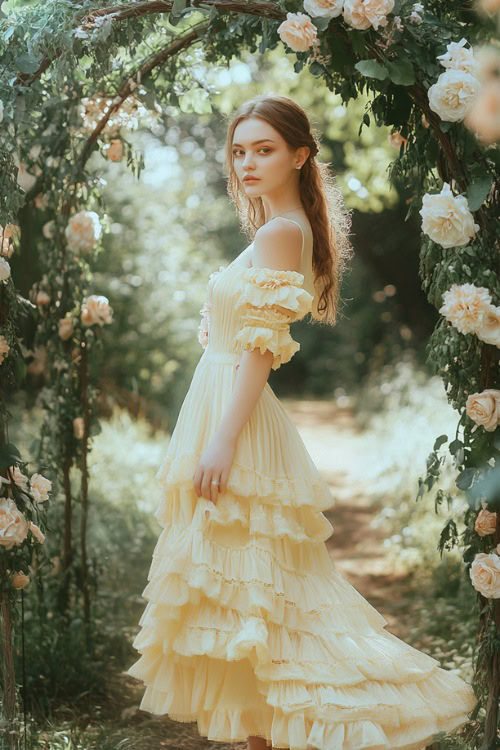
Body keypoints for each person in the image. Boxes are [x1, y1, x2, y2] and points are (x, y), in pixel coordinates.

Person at [126, 94, 477, 750]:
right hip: (223, 401)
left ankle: (353, 710)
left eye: (264, 149)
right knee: (248, 604)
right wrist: (216, 323)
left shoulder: (281, 231)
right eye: (240, 150)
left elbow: (262, 347)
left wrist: (223, 441)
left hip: (236, 420)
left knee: (262, 600)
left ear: (299, 154)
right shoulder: (272, 231)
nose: (248, 161)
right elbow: (244, 325)